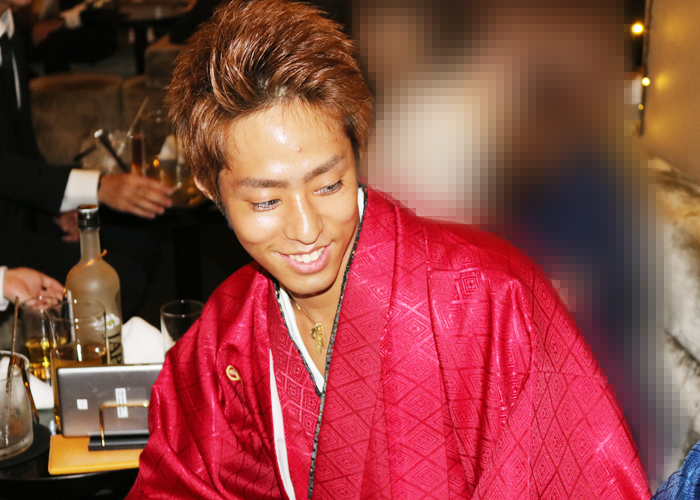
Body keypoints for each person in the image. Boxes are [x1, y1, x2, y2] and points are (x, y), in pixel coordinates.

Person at [127, 1, 652, 498]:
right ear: (210, 188)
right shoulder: (224, 343)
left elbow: (578, 476)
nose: (306, 228)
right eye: (266, 201)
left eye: (329, 185)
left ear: (359, 154)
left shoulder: (493, 298)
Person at [0, 0, 173, 315]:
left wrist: (56, 207)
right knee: (123, 276)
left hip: (20, 214)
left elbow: (21, 145)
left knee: (142, 244)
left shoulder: (7, 26)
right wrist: (99, 187)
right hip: (6, 242)